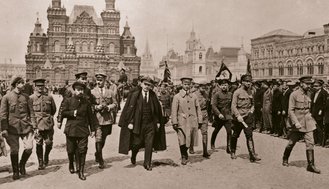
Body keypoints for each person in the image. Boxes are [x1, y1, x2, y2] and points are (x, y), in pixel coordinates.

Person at [118, 76, 166, 171]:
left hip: (150, 124)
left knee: (149, 143)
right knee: (137, 143)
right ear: (141, 84)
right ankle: (134, 155)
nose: (147, 87)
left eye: (149, 85)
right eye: (145, 84)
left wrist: (157, 122)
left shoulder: (152, 95)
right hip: (137, 123)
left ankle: (147, 163)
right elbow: (129, 109)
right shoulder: (135, 95)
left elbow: (156, 110)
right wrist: (130, 122)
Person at [0, 77, 36, 180]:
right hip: (12, 128)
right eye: (22, 83)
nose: (24, 85)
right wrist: (4, 129)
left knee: (29, 147)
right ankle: (16, 171)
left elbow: (31, 113)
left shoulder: (27, 97)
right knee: (14, 150)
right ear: (16, 84)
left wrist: (34, 125)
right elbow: (3, 115)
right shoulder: (6, 97)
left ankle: (22, 164)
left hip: (25, 126)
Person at [282, 76, 320, 174]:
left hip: (308, 122)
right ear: (301, 83)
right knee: (291, 143)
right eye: (307, 84)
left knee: (310, 143)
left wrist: (311, 116)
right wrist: (296, 122)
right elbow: (290, 110)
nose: (309, 86)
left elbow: (311, 107)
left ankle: (311, 165)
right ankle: (285, 158)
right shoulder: (294, 94)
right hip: (297, 122)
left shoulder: (310, 93)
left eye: (310, 84)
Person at [61, 82, 96, 180]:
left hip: (83, 129)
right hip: (71, 129)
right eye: (78, 90)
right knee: (71, 150)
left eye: (81, 90)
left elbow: (91, 117)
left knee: (83, 150)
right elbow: (63, 113)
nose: (80, 92)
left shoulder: (87, 102)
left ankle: (81, 171)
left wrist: (92, 129)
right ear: (74, 90)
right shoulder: (68, 100)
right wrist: (72, 113)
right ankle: (71, 163)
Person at [171, 77, 202, 165]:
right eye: (185, 84)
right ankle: (183, 156)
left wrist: (200, 120)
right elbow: (174, 110)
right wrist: (174, 122)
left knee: (190, 139)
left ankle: (186, 152)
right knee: (182, 139)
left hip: (192, 121)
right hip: (182, 122)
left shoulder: (194, 96)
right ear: (181, 85)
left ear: (190, 85)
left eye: (188, 84)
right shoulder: (177, 97)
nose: (187, 86)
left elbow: (198, 109)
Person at [231, 74, 261, 162]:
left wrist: (251, 111)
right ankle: (233, 151)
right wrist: (237, 115)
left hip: (248, 116)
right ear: (242, 82)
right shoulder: (237, 92)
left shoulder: (251, 92)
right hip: (239, 117)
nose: (249, 83)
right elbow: (233, 105)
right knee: (235, 135)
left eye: (250, 82)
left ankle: (252, 155)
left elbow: (253, 104)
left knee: (249, 135)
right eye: (247, 81)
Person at [91, 73, 117, 169]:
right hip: (97, 119)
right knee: (98, 138)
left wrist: (109, 107)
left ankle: (97, 153)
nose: (99, 82)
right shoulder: (92, 92)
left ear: (105, 81)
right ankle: (101, 160)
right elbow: (89, 105)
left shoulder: (110, 92)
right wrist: (96, 107)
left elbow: (115, 104)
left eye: (101, 80)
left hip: (107, 120)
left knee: (104, 139)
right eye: (97, 80)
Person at [30, 79, 56, 170]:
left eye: (42, 86)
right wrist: (34, 125)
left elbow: (53, 110)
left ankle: (46, 156)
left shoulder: (49, 97)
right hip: (37, 124)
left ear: (44, 86)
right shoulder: (31, 98)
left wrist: (49, 118)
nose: (40, 88)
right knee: (39, 143)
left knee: (49, 143)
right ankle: (40, 162)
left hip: (48, 123)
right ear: (35, 87)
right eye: (38, 86)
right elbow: (30, 113)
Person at [211, 79, 232, 154]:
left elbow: (232, 105)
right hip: (219, 116)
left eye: (225, 85)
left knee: (229, 132)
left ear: (228, 86)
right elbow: (214, 105)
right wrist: (218, 114)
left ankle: (228, 147)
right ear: (220, 86)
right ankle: (212, 143)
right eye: (222, 85)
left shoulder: (230, 94)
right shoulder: (217, 94)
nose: (224, 86)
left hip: (228, 116)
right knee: (216, 130)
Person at [194, 81, 211, 158]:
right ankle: (191, 147)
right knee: (193, 132)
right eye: (202, 87)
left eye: (205, 87)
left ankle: (205, 151)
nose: (203, 89)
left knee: (205, 133)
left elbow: (208, 105)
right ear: (199, 87)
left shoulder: (206, 94)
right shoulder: (194, 95)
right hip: (196, 114)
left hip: (204, 113)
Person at [310, 79, 326, 146]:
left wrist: (321, 110)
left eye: (316, 86)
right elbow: (312, 103)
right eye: (314, 86)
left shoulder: (324, 93)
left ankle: (320, 141)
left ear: (320, 86)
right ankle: (315, 140)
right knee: (314, 127)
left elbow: (324, 103)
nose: (315, 87)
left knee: (319, 127)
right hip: (314, 111)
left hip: (319, 113)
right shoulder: (314, 93)